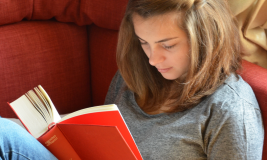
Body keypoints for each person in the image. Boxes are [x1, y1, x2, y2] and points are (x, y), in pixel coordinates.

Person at [104, 0, 264, 159]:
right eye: (143, 42)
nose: (153, 60)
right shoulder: (132, 74)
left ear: (205, 37)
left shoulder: (229, 108)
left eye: (168, 45)